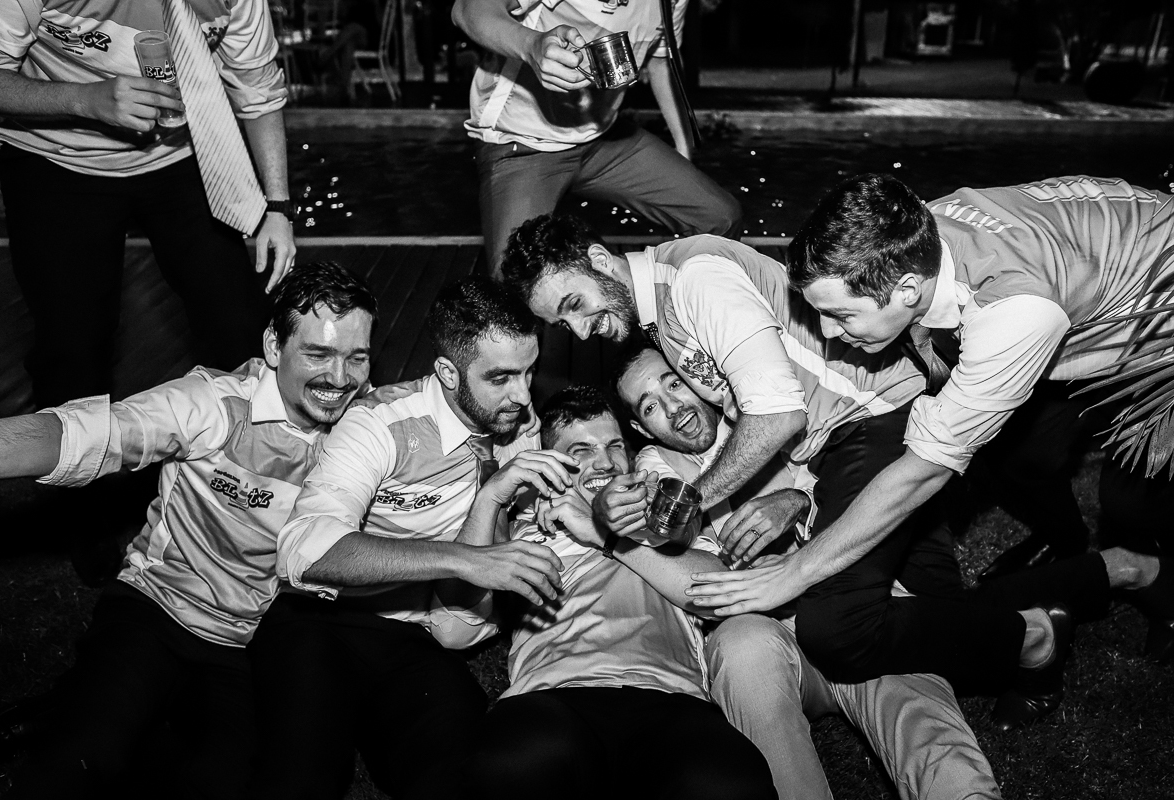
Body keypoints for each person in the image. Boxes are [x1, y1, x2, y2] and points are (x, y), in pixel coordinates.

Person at [499, 213, 1153, 729]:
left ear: (600, 260)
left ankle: (1033, 639)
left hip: (870, 426)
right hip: (841, 444)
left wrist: (691, 502)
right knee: (933, 612)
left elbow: (778, 415)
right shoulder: (663, 312)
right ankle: (1113, 571)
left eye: (575, 303)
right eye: (563, 323)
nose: (578, 330)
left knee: (838, 630)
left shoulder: (694, 278)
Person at [685, 174, 1174, 665]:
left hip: (1160, 322)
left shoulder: (1014, 311)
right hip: (1095, 281)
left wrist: (795, 573)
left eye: (842, 316)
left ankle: (1158, 577)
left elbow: (924, 471)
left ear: (907, 288)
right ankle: (1072, 547)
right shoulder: (908, 234)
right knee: (1026, 456)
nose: (827, 331)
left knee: (1133, 500)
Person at [0, 262, 377, 799]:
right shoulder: (215, 404)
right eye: (318, 354)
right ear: (273, 347)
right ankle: (82, 713)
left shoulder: (366, 431)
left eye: (357, 357)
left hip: (245, 643)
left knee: (215, 781)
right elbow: (90, 434)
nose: (340, 378)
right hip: (154, 607)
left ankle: (69, 706)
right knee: (81, 762)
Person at [613, 347, 1001, 799]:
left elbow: (860, 484)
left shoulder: (769, 405)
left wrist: (797, 503)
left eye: (674, 383)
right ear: (642, 430)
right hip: (776, 641)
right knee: (740, 646)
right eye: (650, 406)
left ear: (697, 374)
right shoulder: (659, 473)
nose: (673, 407)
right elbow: (700, 582)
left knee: (930, 738)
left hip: (855, 609)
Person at [250, 276, 568, 800]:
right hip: (320, 622)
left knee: (459, 777)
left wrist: (503, 500)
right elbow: (304, 548)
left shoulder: (519, 427)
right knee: (299, 776)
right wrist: (461, 560)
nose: (523, 394)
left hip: (411, 639)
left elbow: (462, 625)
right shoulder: (379, 424)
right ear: (447, 372)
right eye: (501, 377)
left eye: (529, 371)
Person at [0, 0, 296, 410]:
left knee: (240, 325)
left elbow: (258, 89)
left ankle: (255, 443)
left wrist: (278, 207)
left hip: (179, 153)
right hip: (55, 158)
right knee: (72, 354)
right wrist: (85, 100)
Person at [464, 386, 777, 800]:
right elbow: (458, 622)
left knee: (730, 785)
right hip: (553, 697)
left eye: (614, 446)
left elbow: (719, 593)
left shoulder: (667, 525)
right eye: (581, 451)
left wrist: (604, 536)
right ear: (551, 465)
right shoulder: (529, 530)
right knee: (513, 765)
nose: (605, 462)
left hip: (671, 701)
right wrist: (491, 495)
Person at [451, 0, 742, 276]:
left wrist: (684, 149)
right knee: (514, 282)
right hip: (521, 140)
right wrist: (532, 46)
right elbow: (466, 9)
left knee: (720, 218)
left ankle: (688, 300)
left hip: (604, 137)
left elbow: (662, 63)